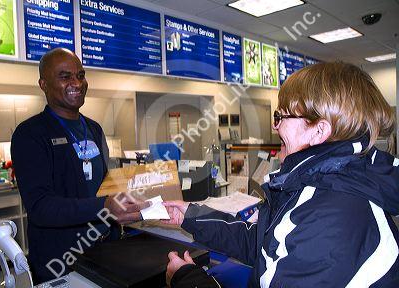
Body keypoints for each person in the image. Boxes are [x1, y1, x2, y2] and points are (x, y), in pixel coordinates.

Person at [163, 62, 399, 287]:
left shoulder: (330, 214)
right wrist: (190, 216)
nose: (276, 127)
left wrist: (188, 279)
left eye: (281, 118)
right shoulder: (323, 185)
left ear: (319, 131)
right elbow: (264, 242)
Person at [11, 48, 150, 283]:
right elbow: (41, 208)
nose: (77, 82)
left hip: (106, 251)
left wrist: (128, 198)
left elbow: (104, 183)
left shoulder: (94, 128)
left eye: (81, 75)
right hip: (61, 259)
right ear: (43, 84)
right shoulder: (30, 134)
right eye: (65, 76)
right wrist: (104, 206)